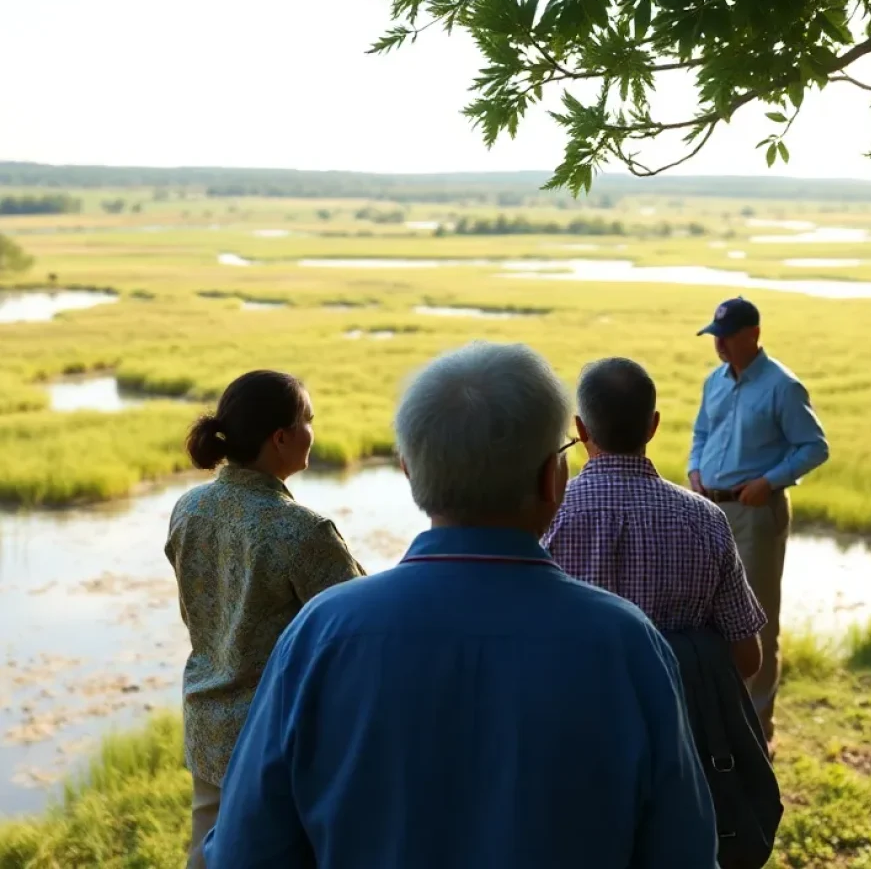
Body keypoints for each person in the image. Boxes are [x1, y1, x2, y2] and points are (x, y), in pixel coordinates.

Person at [204, 342, 718, 869]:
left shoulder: (322, 636)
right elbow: (686, 853)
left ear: (408, 471)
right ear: (551, 479)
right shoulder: (629, 645)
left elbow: (243, 851)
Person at [166, 369, 365, 869]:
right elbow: (363, 625)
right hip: (276, 738)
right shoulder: (301, 531)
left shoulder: (188, 508)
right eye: (308, 420)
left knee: (207, 852)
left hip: (207, 721)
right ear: (281, 438)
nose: (313, 432)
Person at [543, 356, 766, 681]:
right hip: (677, 723)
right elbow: (747, 659)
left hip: (573, 718)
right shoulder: (707, 520)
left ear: (580, 428)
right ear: (653, 426)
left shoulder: (549, 514)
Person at [688, 298, 829, 744]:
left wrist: (769, 482)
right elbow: (701, 433)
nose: (720, 345)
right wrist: (695, 469)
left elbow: (814, 447)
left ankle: (756, 733)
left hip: (754, 515)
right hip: (710, 509)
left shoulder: (782, 386)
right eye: (715, 337)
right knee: (706, 614)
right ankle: (718, 720)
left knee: (757, 621)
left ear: (753, 333)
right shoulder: (715, 381)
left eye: (727, 337)